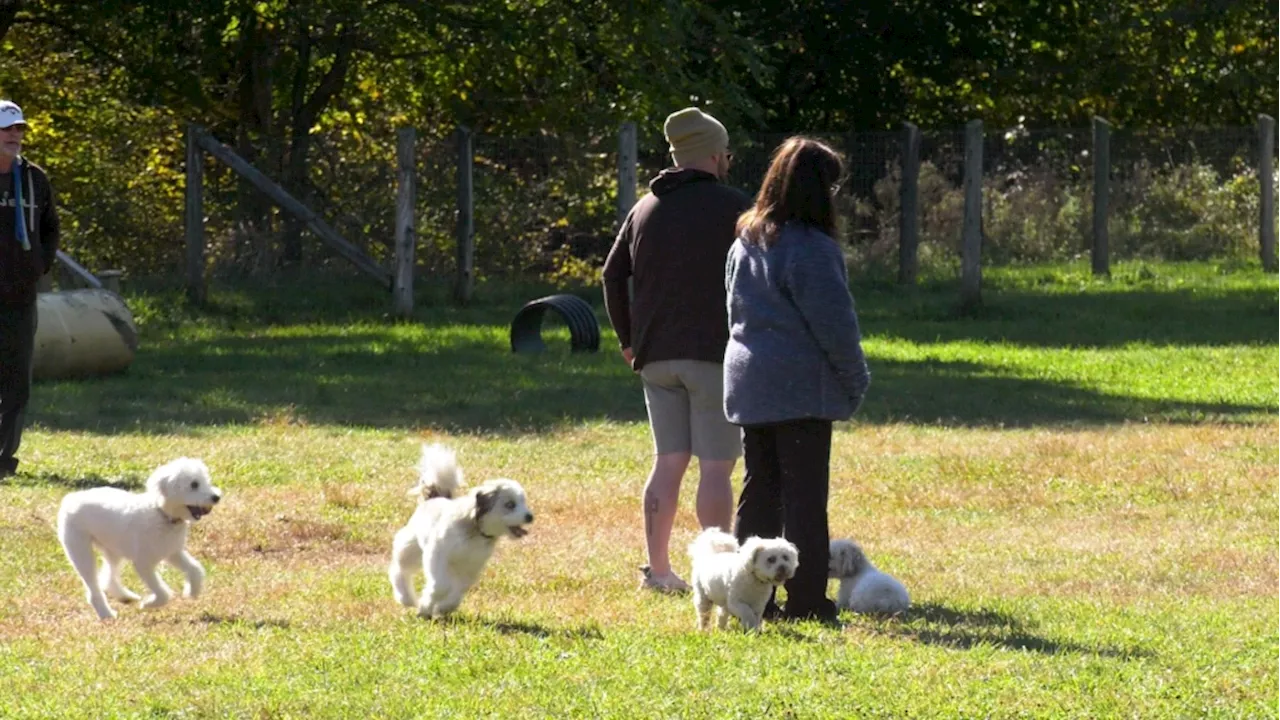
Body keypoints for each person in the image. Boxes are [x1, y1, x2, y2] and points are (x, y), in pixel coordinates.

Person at [602, 107, 751, 593]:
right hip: (712, 351)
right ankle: (721, 574)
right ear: (712, 154)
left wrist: (628, 340)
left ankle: (659, 571)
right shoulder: (734, 206)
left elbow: (611, 274)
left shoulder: (644, 208)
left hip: (655, 355)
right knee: (716, 466)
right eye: (725, 152)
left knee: (668, 461)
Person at [723, 136, 870, 624]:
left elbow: (732, 307)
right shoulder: (812, 248)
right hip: (798, 388)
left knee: (759, 491)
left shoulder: (746, 238)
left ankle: (745, 595)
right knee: (806, 497)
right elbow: (835, 324)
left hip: (749, 379)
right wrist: (855, 379)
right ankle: (807, 600)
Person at [0, 100, 59, 479]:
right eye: (8, 129)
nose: (15, 135)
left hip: (20, 297)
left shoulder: (34, 178)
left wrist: (39, 265)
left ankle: (4, 460)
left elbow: (51, 228)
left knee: (17, 382)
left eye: (19, 128)